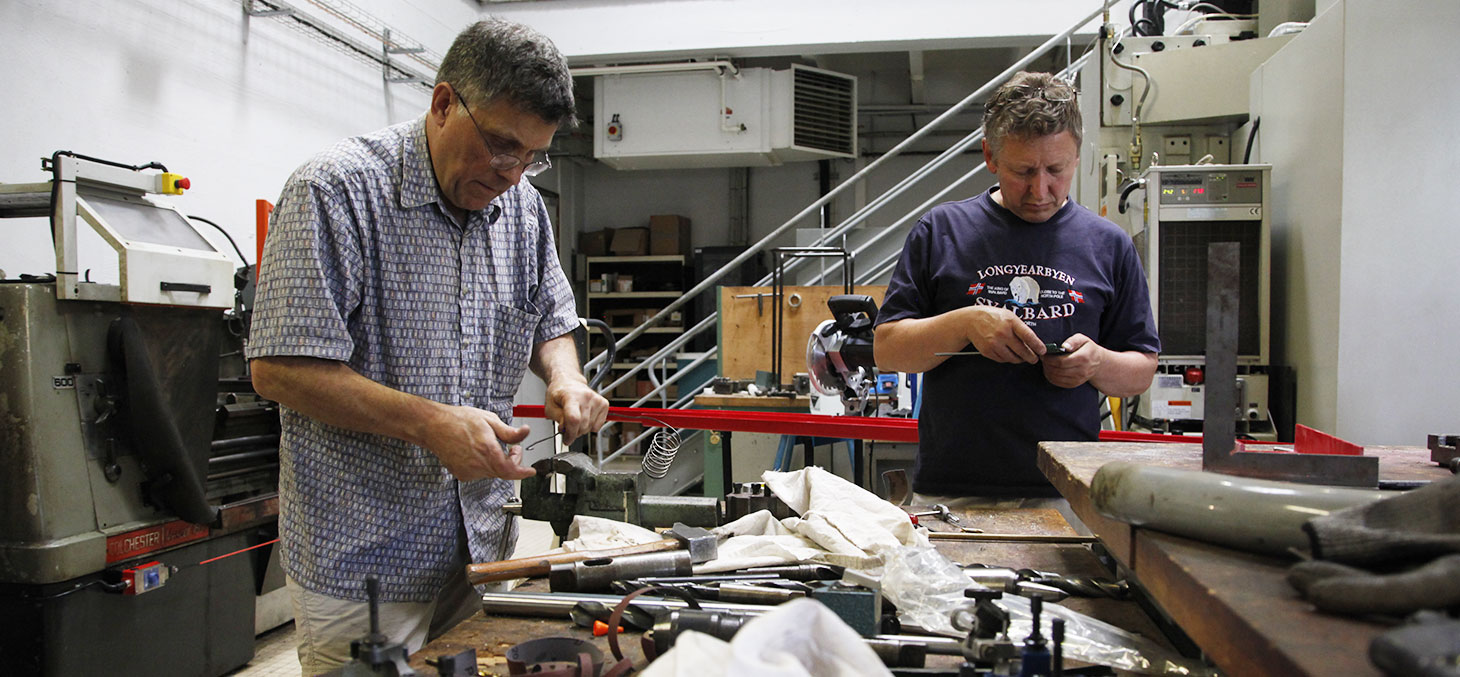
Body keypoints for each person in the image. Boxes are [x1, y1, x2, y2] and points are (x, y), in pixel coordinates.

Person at [246, 18, 608, 674]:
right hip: (364, 565)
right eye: (501, 144)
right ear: (444, 103)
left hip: (481, 551)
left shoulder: (522, 207)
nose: (512, 171)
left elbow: (551, 318)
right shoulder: (336, 192)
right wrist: (431, 423)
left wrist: (565, 378)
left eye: (532, 155)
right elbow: (279, 369)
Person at [873, 71, 1159, 504]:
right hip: (954, 493)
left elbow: (1141, 369)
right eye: (1023, 171)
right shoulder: (942, 231)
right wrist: (966, 323)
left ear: (1077, 156)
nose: (1041, 190)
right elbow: (888, 350)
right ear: (990, 155)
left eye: (1055, 170)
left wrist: (1096, 363)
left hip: (1069, 492)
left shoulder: (1108, 244)